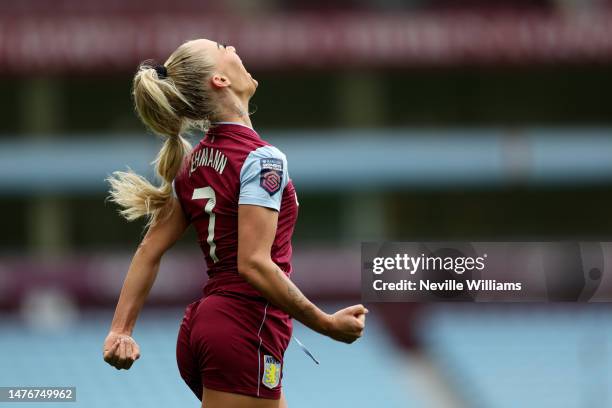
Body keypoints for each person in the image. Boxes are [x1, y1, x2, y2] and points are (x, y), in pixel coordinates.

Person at [102, 39, 368, 408]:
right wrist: (325, 324)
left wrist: (121, 329)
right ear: (220, 80)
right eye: (220, 46)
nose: (230, 46)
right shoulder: (263, 160)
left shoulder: (192, 163)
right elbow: (254, 263)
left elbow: (149, 250)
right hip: (243, 327)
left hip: (214, 326)